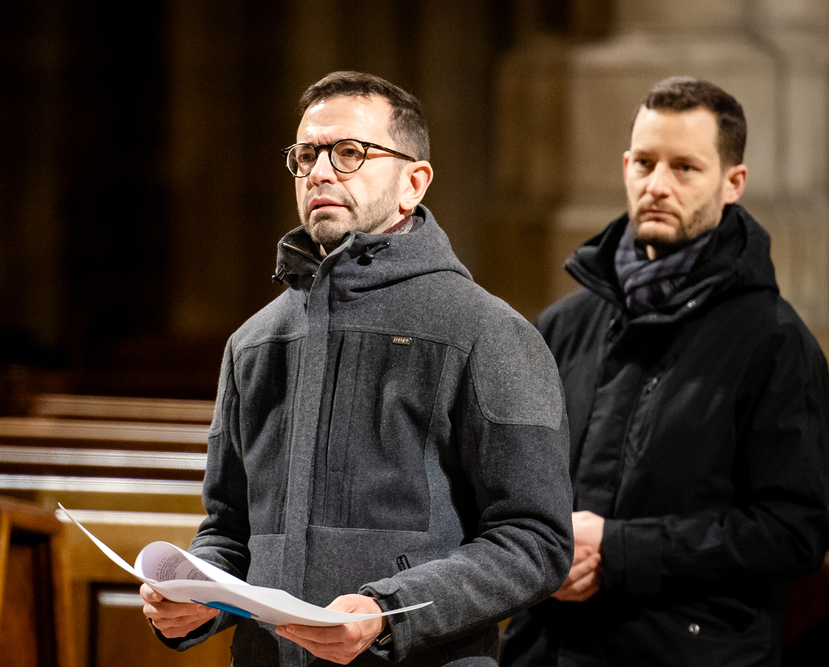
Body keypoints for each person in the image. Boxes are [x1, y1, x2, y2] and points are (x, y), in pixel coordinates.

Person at [141, 71, 574, 666]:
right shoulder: (254, 343)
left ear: (413, 183)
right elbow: (229, 528)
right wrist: (196, 595)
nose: (320, 172)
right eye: (306, 156)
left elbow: (535, 541)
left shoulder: (489, 333)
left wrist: (387, 613)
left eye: (349, 153)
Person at [500, 76, 829, 667]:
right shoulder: (564, 324)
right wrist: (540, 552)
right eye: (645, 163)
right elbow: (511, 484)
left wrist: (619, 550)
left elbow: (794, 531)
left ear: (733, 183)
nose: (657, 185)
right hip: (545, 650)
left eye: (684, 168)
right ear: (626, 166)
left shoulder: (775, 342)